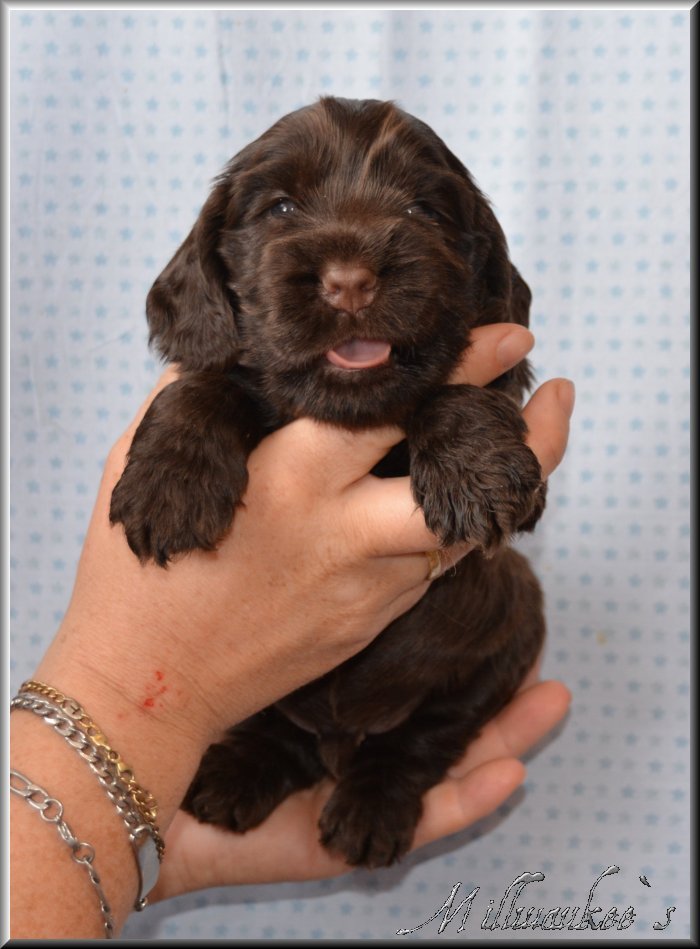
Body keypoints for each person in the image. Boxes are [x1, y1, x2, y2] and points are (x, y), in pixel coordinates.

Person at [9, 323, 574, 939]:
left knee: (517, 601)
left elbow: (506, 493)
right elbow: (222, 385)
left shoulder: (443, 379)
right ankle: (283, 751)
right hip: (270, 708)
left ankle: (393, 764)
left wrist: (468, 426)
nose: (349, 283)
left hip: (435, 677)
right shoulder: (231, 380)